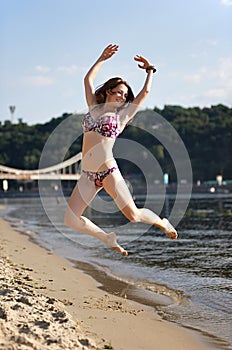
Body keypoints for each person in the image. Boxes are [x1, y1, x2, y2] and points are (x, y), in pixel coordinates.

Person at [64, 44, 178, 256]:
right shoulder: (92, 107)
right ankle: (107, 238)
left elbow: (144, 93)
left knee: (133, 215)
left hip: (108, 171)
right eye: (119, 93)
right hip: (88, 174)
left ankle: (163, 223)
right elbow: (87, 81)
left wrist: (150, 70)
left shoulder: (121, 118)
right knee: (70, 219)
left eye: (125, 96)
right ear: (109, 91)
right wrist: (101, 58)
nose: (123, 98)